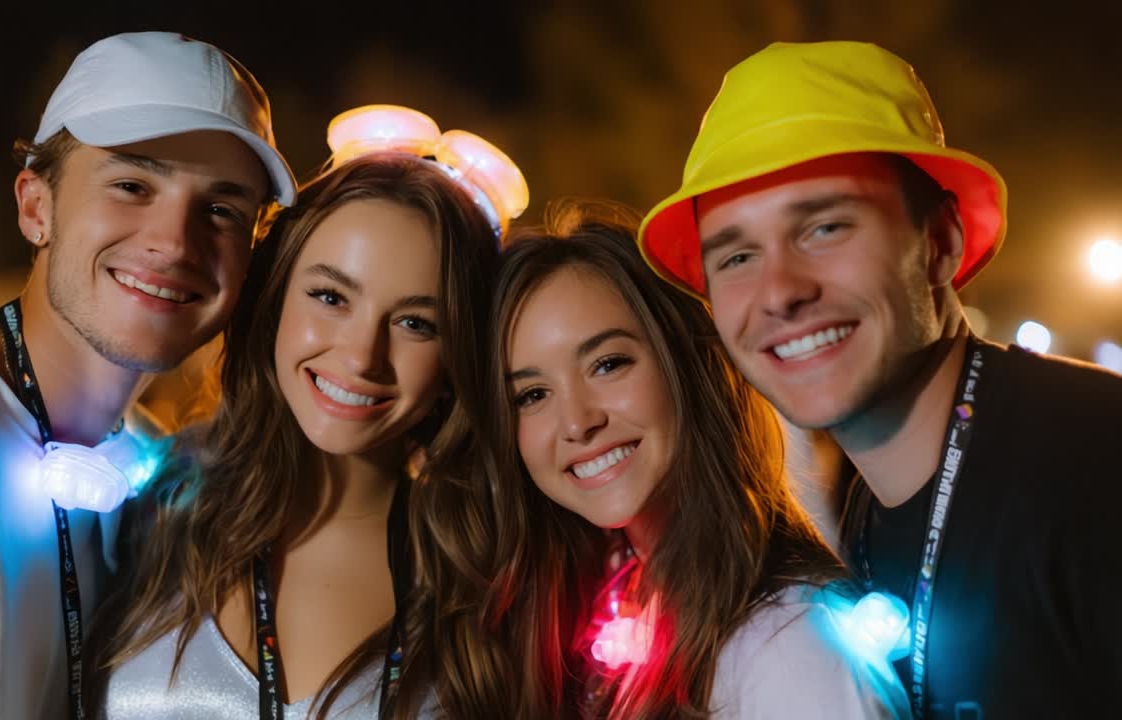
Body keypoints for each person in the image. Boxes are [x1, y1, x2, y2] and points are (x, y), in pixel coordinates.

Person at [639, 40, 1122, 718]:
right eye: (738, 256)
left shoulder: (1094, 462)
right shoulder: (865, 512)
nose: (779, 292)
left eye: (825, 228)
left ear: (940, 242)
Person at [0, 31, 296, 719]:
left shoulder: (148, 479)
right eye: (132, 185)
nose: (175, 242)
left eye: (221, 210)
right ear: (37, 207)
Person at [91, 105, 526, 720]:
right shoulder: (143, 504)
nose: (361, 355)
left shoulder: (493, 576)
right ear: (274, 295)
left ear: (460, 355)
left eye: (415, 323)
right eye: (330, 296)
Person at [483, 202, 908, 718]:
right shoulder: (618, 616)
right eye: (532, 395)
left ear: (689, 362)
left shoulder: (791, 647)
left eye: (608, 364)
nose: (576, 422)